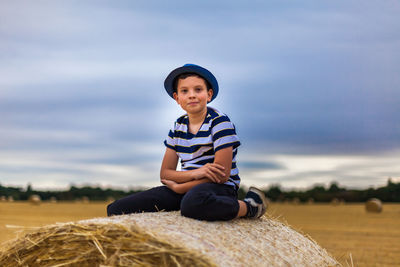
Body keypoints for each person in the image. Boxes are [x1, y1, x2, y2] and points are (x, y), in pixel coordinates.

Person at [107, 64, 267, 221]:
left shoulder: (219, 122)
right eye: (185, 91)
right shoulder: (178, 126)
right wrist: (195, 173)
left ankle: (250, 207)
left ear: (209, 94)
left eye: (198, 89)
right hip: (188, 187)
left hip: (218, 189)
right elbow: (165, 174)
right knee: (116, 209)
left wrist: (179, 187)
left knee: (192, 204)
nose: (192, 95)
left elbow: (222, 176)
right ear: (177, 97)